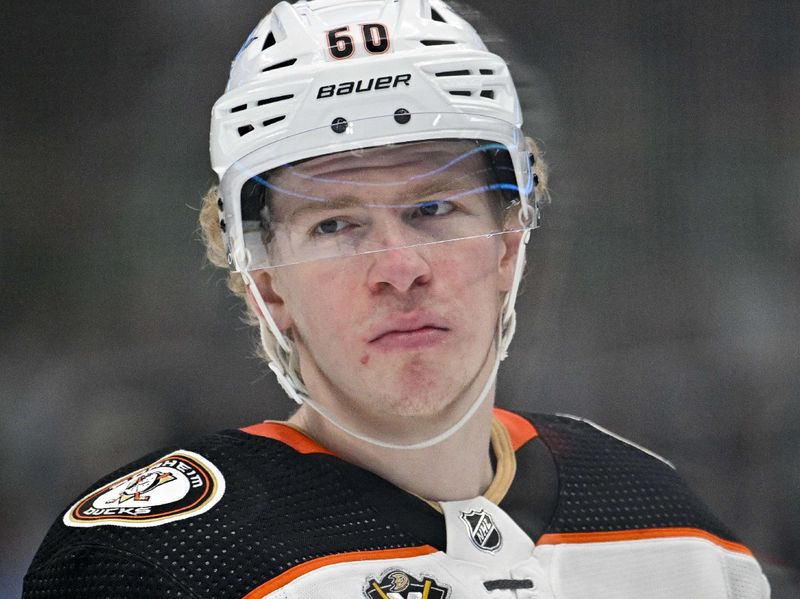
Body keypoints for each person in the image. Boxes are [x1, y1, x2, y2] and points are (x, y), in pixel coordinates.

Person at [23, 0, 770, 597]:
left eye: (434, 209)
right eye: (337, 223)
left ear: (509, 244)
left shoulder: (677, 536)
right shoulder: (169, 564)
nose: (400, 267)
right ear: (265, 281)